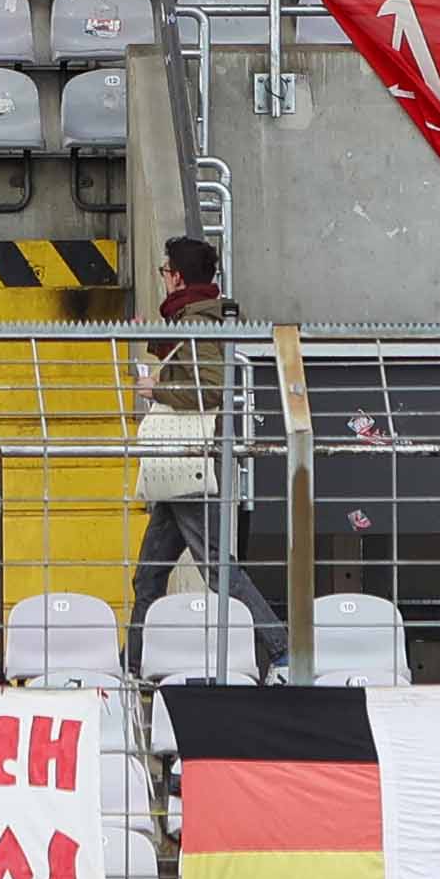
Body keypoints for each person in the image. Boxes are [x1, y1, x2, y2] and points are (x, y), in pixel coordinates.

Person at [126, 233, 283, 672]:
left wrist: (156, 387)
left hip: (190, 460)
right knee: (150, 576)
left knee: (218, 572)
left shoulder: (198, 321)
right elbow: (191, 359)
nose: (163, 279)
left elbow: (210, 386)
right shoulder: (195, 316)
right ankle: (132, 665)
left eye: (164, 271)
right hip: (179, 462)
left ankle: (280, 648)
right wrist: (155, 341)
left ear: (175, 276)